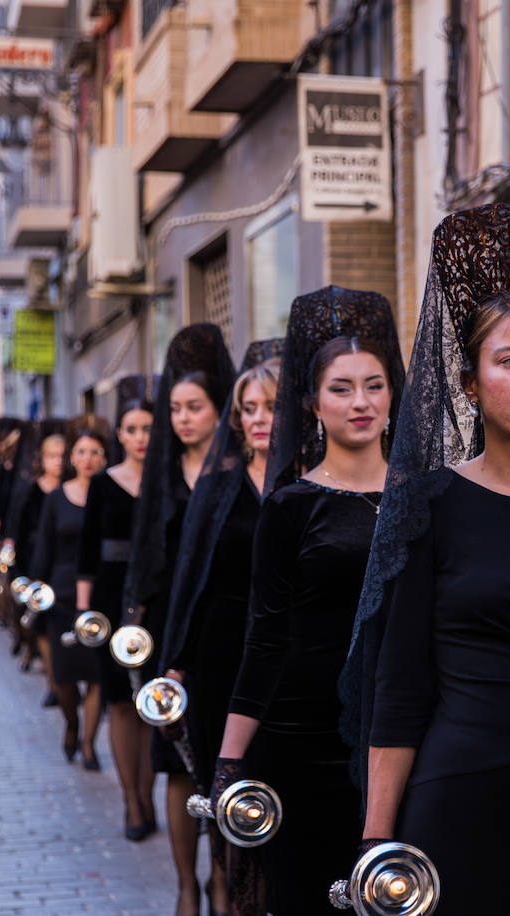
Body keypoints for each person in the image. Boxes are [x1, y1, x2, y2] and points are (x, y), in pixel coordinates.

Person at [336, 206, 510, 916]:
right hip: (461, 799)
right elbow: (399, 686)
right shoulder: (429, 504)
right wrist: (377, 842)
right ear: (469, 385)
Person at [212, 288, 404, 916]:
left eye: (373, 386)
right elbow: (265, 637)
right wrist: (230, 757)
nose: (360, 402)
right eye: (341, 389)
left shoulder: (427, 498)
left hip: (404, 732)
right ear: (314, 405)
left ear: (393, 396)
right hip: (303, 740)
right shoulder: (289, 507)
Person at [160, 339, 283, 915]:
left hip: (287, 663)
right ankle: (221, 893)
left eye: (272, 406)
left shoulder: (311, 479)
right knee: (228, 796)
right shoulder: (217, 486)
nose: (259, 419)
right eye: (249, 409)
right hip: (219, 661)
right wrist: (178, 667)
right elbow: (194, 582)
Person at [123, 323, 237, 916]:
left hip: (227, 634)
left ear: (220, 409)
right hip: (173, 635)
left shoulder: (239, 471)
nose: (183, 419)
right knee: (176, 764)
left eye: (195, 407)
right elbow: (145, 560)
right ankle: (186, 886)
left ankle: (222, 882)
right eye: (175, 408)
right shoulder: (163, 476)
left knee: (225, 765)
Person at [78, 376, 156, 842]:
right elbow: (88, 551)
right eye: (132, 429)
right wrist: (85, 612)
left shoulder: (169, 480)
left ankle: (148, 794)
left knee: (153, 703)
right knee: (121, 703)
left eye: (148, 428)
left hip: (157, 599)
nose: (141, 437)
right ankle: (132, 801)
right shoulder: (104, 484)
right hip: (110, 599)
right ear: (120, 436)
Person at [29, 420, 108, 767]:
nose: (88, 459)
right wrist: (37, 588)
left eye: (95, 452)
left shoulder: (109, 495)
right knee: (63, 677)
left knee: (97, 676)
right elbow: (44, 547)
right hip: (61, 596)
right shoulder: (57, 498)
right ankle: (72, 724)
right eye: (81, 452)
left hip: (100, 598)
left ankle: (89, 744)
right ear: (72, 457)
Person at [9, 422, 67, 691]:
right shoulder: (30, 491)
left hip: (64, 564)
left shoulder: (72, 489)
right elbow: (19, 529)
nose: (58, 462)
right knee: (41, 624)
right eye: (52, 456)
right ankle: (53, 683)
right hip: (36, 561)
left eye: (62, 456)